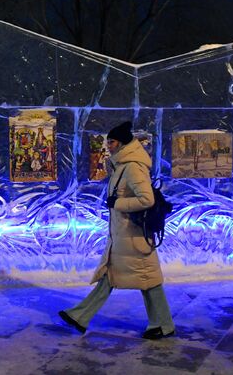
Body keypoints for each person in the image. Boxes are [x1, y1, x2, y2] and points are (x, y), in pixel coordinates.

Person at [59, 121, 175, 340]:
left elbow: (146, 199)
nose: (108, 146)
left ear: (121, 143)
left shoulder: (132, 167)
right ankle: (80, 316)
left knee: (146, 280)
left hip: (133, 236)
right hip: (124, 236)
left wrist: (117, 203)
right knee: (121, 276)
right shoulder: (123, 165)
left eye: (111, 142)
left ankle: (163, 324)